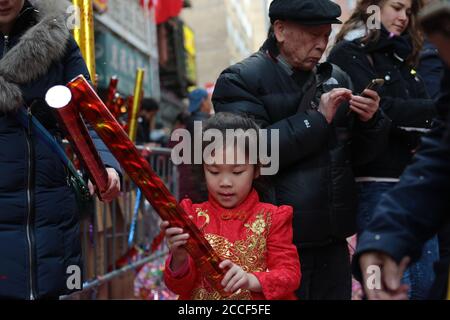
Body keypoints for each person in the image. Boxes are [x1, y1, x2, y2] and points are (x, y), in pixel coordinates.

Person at [212, 0, 388, 299]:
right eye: (312, 35)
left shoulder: (336, 77)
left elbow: (358, 157)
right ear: (280, 30)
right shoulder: (239, 80)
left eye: (325, 36)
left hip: (332, 239)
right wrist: (316, 119)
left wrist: (372, 122)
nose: (321, 45)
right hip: (276, 243)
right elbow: (251, 153)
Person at [0, 0, 121, 299]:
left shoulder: (57, 33)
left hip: (49, 204)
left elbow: (88, 110)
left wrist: (104, 164)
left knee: (53, 287)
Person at [328, 0, 439, 299]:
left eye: (408, 11)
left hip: (415, 186)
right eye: (396, 7)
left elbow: (425, 114)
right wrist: (418, 118)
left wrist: (410, 119)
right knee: (391, 289)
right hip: (376, 187)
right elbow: (381, 108)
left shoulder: (401, 56)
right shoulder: (348, 54)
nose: (403, 17)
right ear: (372, 7)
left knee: (425, 285)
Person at [161, 113, 301, 300]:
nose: (225, 182)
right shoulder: (191, 216)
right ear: (203, 169)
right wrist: (178, 257)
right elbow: (179, 287)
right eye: (214, 171)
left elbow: (289, 275)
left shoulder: (272, 218)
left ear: (257, 169)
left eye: (237, 172)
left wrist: (252, 280)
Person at [183, 88, 212, 203]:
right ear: (203, 102)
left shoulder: (188, 121)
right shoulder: (205, 123)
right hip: (202, 177)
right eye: (208, 100)